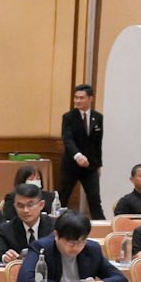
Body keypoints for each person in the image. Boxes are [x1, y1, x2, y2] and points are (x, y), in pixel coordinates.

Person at [14, 210, 126, 282]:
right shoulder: (41, 247)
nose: (76, 247)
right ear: (56, 235)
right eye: (71, 243)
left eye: (82, 242)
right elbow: (25, 280)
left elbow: (120, 279)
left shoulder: (92, 249)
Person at [58, 83, 105, 219]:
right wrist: (77, 155)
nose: (77, 101)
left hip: (90, 167)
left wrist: (98, 165)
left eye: (81, 98)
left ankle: (101, 225)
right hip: (70, 165)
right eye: (76, 97)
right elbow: (67, 139)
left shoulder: (98, 117)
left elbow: (98, 143)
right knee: (62, 197)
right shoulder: (68, 117)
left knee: (95, 200)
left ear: (90, 99)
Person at [0, 182, 51, 261]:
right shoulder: (7, 229)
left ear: (41, 205)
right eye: (20, 206)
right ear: (15, 206)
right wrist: (6, 257)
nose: (25, 210)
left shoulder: (54, 226)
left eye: (30, 205)